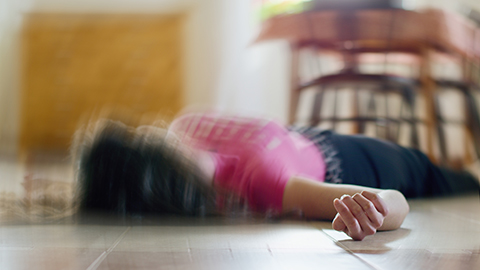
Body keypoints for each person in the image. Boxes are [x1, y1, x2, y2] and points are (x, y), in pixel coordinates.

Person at [74, 112, 480, 241]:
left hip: (320, 140)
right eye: (146, 142)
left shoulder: (187, 125)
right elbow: (395, 200)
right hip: (371, 164)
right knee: (463, 183)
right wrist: (372, 211)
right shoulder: (264, 182)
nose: (152, 132)